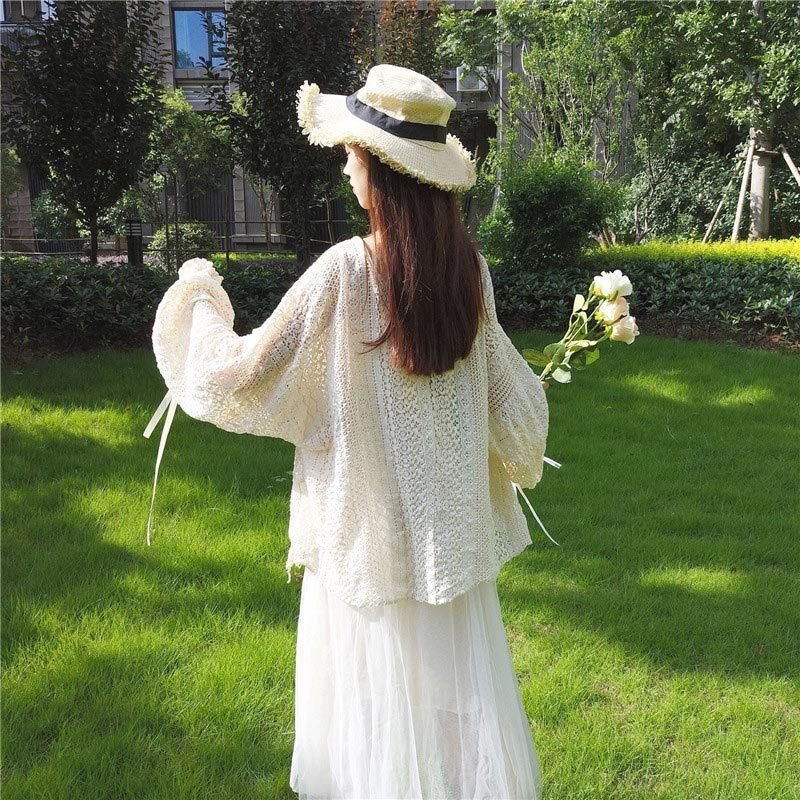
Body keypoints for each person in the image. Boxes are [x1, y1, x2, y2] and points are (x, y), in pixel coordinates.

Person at [146, 63, 549, 799]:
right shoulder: (471, 272)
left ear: (383, 172)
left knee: (370, 712)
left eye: (353, 153)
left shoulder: (345, 271)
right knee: (454, 710)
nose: (344, 165)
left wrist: (197, 297)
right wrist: (515, 447)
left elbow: (242, 371)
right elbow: (511, 398)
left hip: (366, 537)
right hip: (447, 540)